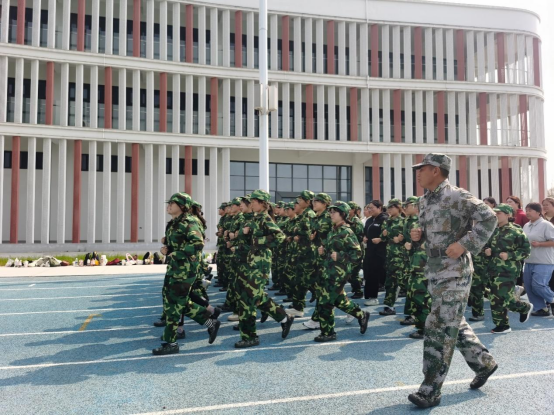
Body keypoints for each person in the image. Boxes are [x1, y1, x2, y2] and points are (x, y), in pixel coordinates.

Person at [408, 154, 498, 409]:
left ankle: (430, 390)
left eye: (422, 168)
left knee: (437, 325)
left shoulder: (457, 196)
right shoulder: (424, 200)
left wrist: (464, 244)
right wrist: (418, 236)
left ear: (436, 170)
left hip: (455, 271)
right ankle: (484, 363)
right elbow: (432, 233)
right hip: (435, 270)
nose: (418, 173)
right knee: (452, 320)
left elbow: (489, 217)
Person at [153, 193, 221, 356]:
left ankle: (171, 342)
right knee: (174, 302)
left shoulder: (190, 222)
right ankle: (209, 322)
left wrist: (176, 253)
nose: (169, 206)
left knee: (174, 304)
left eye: (172, 203)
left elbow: (197, 244)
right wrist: (167, 249)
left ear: (182, 206)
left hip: (186, 269)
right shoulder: (174, 223)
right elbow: (177, 244)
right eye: (169, 203)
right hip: (175, 268)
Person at [234, 190, 295, 348]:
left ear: (262, 203)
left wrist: (257, 240)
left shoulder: (265, 218)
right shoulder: (254, 218)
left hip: (260, 264)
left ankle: (250, 336)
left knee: (248, 298)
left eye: (254, 201)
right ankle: (284, 318)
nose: (251, 203)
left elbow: (280, 237)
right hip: (250, 262)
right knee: (256, 296)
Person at [315, 201, 370, 342]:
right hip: (328, 271)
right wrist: (323, 252)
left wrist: (340, 256)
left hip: (339, 274)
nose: (331, 214)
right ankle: (361, 315)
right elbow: (331, 252)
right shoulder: (333, 231)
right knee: (339, 301)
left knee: (325, 303)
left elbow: (357, 254)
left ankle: (328, 333)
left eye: (334, 212)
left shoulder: (347, 232)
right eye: (330, 212)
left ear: (343, 214)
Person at [486, 204, 533, 334]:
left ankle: (520, 310)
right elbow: (486, 246)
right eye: (494, 213)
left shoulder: (516, 231)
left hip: (508, 270)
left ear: (508, 215)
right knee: (495, 298)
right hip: (493, 269)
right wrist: (487, 251)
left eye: (499, 213)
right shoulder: (493, 230)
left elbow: (526, 251)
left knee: (502, 298)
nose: (495, 215)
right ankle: (505, 323)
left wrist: (509, 255)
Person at [402, 197, 431, 339]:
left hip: (427, 267)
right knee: (416, 298)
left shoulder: (435, 223)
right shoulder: (417, 223)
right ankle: (422, 326)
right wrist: (412, 245)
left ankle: (425, 329)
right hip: (415, 265)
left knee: (423, 299)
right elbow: (416, 246)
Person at [304, 193, 334, 331]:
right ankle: (354, 311)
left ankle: (316, 319)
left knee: (324, 290)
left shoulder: (329, 217)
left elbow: (335, 235)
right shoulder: (315, 217)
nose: (314, 203)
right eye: (313, 201)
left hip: (327, 258)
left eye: (318, 201)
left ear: (325, 203)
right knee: (324, 289)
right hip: (317, 257)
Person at [287, 191, 317, 318]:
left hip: (309, 254)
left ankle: (344, 307)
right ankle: (298, 307)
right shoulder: (304, 214)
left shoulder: (309, 214)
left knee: (311, 281)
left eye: (301, 199)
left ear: (308, 202)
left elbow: (311, 233)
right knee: (299, 281)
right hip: (302, 252)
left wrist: (299, 234)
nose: (298, 202)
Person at [522, 202, 554, 317]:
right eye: (526, 210)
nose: (527, 213)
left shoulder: (546, 225)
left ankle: (552, 298)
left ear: (538, 212)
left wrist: (540, 244)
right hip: (529, 260)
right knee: (529, 286)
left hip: (544, 261)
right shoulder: (526, 225)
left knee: (539, 285)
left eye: (530, 210)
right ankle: (540, 308)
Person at [376, 199, 406, 316]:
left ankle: (417, 309)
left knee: (402, 282)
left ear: (398, 208)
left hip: (401, 256)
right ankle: (389, 307)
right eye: (388, 207)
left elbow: (406, 238)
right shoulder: (387, 221)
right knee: (390, 282)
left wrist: (397, 239)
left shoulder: (403, 222)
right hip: (390, 255)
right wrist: (385, 236)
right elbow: (383, 237)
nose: (389, 209)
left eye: (392, 207)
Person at [363, 201, 388, 306]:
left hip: (380, 252)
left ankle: (374, 298)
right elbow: (365, 233)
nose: (370, 210)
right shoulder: (369, 220)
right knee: (368, 273)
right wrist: (364, 237)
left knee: (376, 275)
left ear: (379, 208)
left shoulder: (384, 219)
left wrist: (381, 239)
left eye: (372, 208)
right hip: (370, 251)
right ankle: (369, 296)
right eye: (369, 208)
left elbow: (390, 234)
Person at [348, 202, 365, 299]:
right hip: (349, 250)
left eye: (350, 209)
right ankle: (356, 287)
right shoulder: (348, 220)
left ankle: (358, 291)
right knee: (349, 272)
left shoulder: (356, 222)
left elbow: (359, 236)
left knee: (353, 272)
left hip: (356, 250)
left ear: (353, 210)